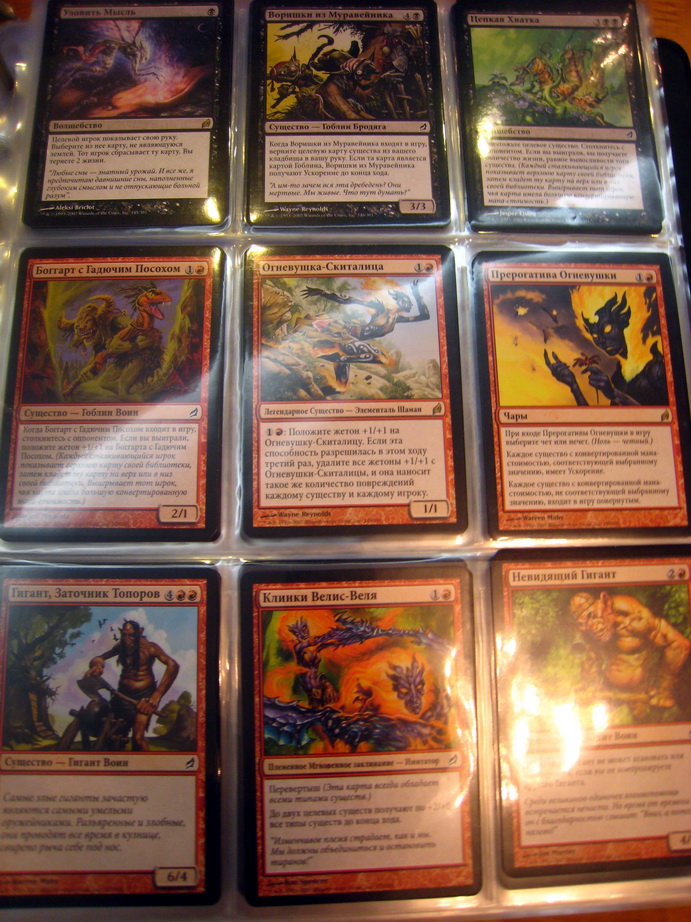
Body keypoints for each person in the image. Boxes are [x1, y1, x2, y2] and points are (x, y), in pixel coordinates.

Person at [569, 591, 690, 712]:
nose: (591, 625)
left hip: (643, 691)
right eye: (583, 624)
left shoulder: (636, 620)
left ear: (606, 603)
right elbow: (592, 659)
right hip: (610, 693)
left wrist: (664, 686)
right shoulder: (589, 633)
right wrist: (588, 684)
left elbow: (679, 644)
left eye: (592, 615)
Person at [86, 619, 179, 751]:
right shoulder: (121, 646)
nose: (127, 639)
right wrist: (97, 665)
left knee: (138, 739)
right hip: (121, 696)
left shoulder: (150, 648)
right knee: (107, 731)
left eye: (131, 635)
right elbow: (100, 658)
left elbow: (173, 665)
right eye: (124, 635)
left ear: (139, 632)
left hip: (143, 699)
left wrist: (156, 696)